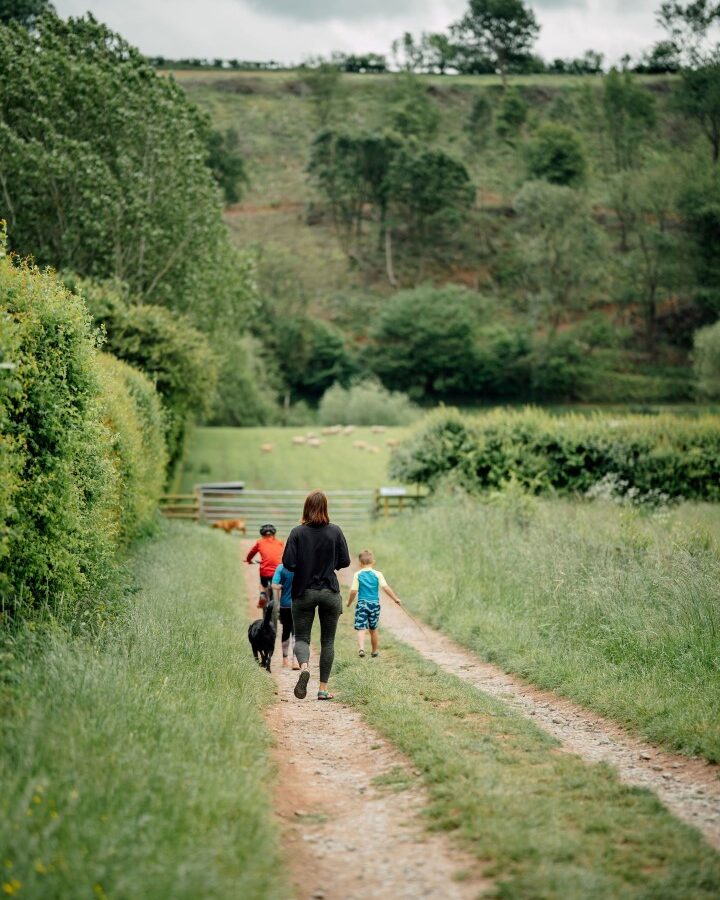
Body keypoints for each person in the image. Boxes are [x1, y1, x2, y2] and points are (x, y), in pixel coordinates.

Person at [282, 490, 350, 701]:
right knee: (328, 641)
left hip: (304, 592)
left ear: (306, 508)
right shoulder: (335, 531)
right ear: (325, 508)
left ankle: (303, 668)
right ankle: (322, 689)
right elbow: (344, 561)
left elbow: (289, 563)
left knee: (302, 637)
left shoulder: (297, 533)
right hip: (330, 591)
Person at [347, 549, 401, 658]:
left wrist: (349, 602)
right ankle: (375, 651)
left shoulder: (358, 574)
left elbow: (353, 591)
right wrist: (395, 599)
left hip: (362, 604)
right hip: (374, 604)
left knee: (361, 627)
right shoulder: (378, 574)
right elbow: (386, 588)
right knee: (373, 628)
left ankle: (361, 648)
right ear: (373, 562)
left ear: (360, 563)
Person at [245, 524, 284, 607]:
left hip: (265, 572)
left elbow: (251, 553)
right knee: (280, 585)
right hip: (278, 570)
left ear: (262, 534)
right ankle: (281, 604)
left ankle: (262, 594)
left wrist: (248, 560)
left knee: (263, 584)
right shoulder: (280, 543)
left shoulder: (260, 542)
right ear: (274, 533)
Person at [271, 562, 299, 669]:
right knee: (296, 633)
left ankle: (285, 659)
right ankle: (295, 661)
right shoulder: (301, 565)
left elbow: (274, 584)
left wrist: (281, 586)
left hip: (285, 605)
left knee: (286, 631)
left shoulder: (281, 567)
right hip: (298, 605)